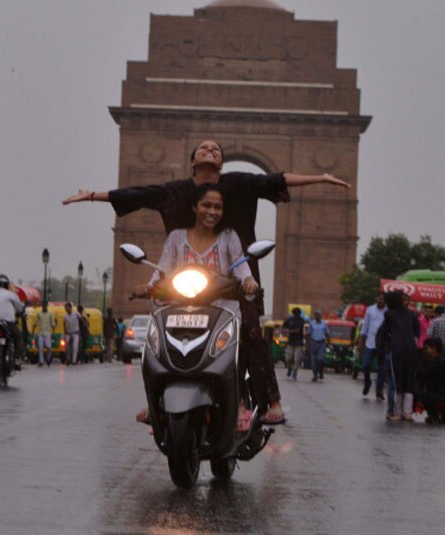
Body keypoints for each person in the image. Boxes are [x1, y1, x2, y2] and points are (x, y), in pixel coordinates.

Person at [63, 140, 350, 424]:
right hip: (187, 281)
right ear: (192, 160)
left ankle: (267, 401)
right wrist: (91, 196)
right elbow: (136, 194)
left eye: (216, 149)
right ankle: (157, 401)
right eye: (203, 147)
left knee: (251, 335)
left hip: (237, 275)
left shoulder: (238, 184)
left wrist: (319, 177)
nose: (210, 150)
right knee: (161, 335)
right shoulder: (174, 192)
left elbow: (277, 179)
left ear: (222, 163)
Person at [134, 184, 259, 432]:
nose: (212, 211)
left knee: (237, 352)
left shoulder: (228, 237)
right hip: (181, 311)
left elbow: (240, 265)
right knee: (154, 349)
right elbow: (162, 270)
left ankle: (240, 403)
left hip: (221, 312)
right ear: (194, 207)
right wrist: (149, 287)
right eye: (206, 205)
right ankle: (155, 401)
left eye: (217, 207)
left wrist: (248, 280)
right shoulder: (177, 238)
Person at [377, 290, 420, 421]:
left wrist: (380, 354)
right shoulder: (412, 314)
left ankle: (398, 412)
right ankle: (407, 413)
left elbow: (384, 334)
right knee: (409, 380)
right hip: (411, 349)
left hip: (396, 349)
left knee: (397, 381)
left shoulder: (389, 315)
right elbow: (417, 332)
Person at [414, 338, 445, 424]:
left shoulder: (440, 362)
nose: (424, 351)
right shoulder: (431, 361)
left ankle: (435, 414)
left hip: (442, 398)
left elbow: (427, 371)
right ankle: (435, 415)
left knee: (418, 396)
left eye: (426, 348)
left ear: (434, 348)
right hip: (437, 396)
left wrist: (415, 369)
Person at [357, 293, 386, 398]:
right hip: (370, 343)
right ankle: (367, 382)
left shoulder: (388, 311)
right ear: (376, 298)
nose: (381, 301)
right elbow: (364, 327)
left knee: (381, 369)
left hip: (382, 344)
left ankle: (379, 390)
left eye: (383, 299)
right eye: (379, 299)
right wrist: (361, 342)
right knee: (365, 365)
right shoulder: (370, 309)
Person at [282, 307, 307, 381]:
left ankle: (295, 373)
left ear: (299, 314)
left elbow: (298, 330)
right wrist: (286, 331)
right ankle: (290, 368)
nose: (296, 315)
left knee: (296, 359)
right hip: (290, 342)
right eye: (295, 314)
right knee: (288, 358)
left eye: (297, 314)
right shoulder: (290, 319)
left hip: (299, 342)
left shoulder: (302, 321)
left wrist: (289, 331)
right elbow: (284, 326)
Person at [307, 311, 329, 382]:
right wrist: (307, 345)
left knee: (320, 359)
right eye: (316, 315)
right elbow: (308, 334)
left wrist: (329, 343)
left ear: (321, 316)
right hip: (313, 343)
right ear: (314, 316)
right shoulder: (312, 323)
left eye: (318, 315)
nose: (317, 316)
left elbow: (327, 333)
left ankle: (321, 371)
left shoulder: (324, 324)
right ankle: (315, 375)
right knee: (313, 361)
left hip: (321, 343)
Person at [33, 301, 56, 367]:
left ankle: (48, 359)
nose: (44, 306)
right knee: (40, 347)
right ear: (42, 306)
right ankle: (41, 361)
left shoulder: (50, 314)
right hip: (40, 332)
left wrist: (53, 332)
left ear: (46, 306)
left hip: (48, 332)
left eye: (45, 305)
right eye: (43, 305)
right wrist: (33, 331)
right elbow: (35, 323)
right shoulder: (39, 314)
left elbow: (53, 324)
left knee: (48, 347)